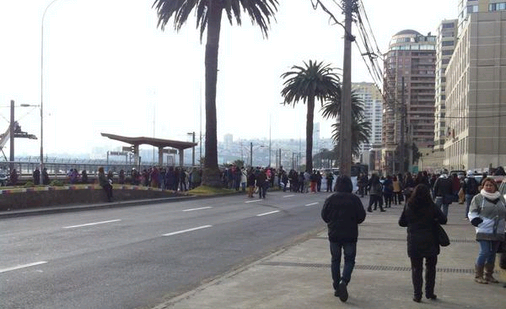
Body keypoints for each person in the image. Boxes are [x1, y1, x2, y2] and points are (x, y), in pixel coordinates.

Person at [321, 175, 366, 303]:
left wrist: (332, 222)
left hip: (334, 233)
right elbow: (361, 217)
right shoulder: (354, 199)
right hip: (350, 234)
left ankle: (336, 286)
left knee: (335, 259)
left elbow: (324, 216)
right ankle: (344, 281)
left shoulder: (330, 198)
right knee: (349, 260)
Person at [399, 184, 447, 302]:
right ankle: (429, 293)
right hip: (431, 240)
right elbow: (443, 219)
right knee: (431, 268)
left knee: (416, 269)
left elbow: (401, 222)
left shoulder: (409, 205)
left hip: (414, 241)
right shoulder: (431, 206)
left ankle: (417, 295)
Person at [468, 177, 506, 284]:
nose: (489, 187)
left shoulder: (501, 198)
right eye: (486, 185)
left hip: (498, 230)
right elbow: (472, 212)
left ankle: (489, 274)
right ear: (483, 186)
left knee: (492, 253)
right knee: (485, 252)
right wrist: (477, 221)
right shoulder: (478, 198)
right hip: (484, 229)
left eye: (491, 185)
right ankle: (478, 275)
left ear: (495, 187)